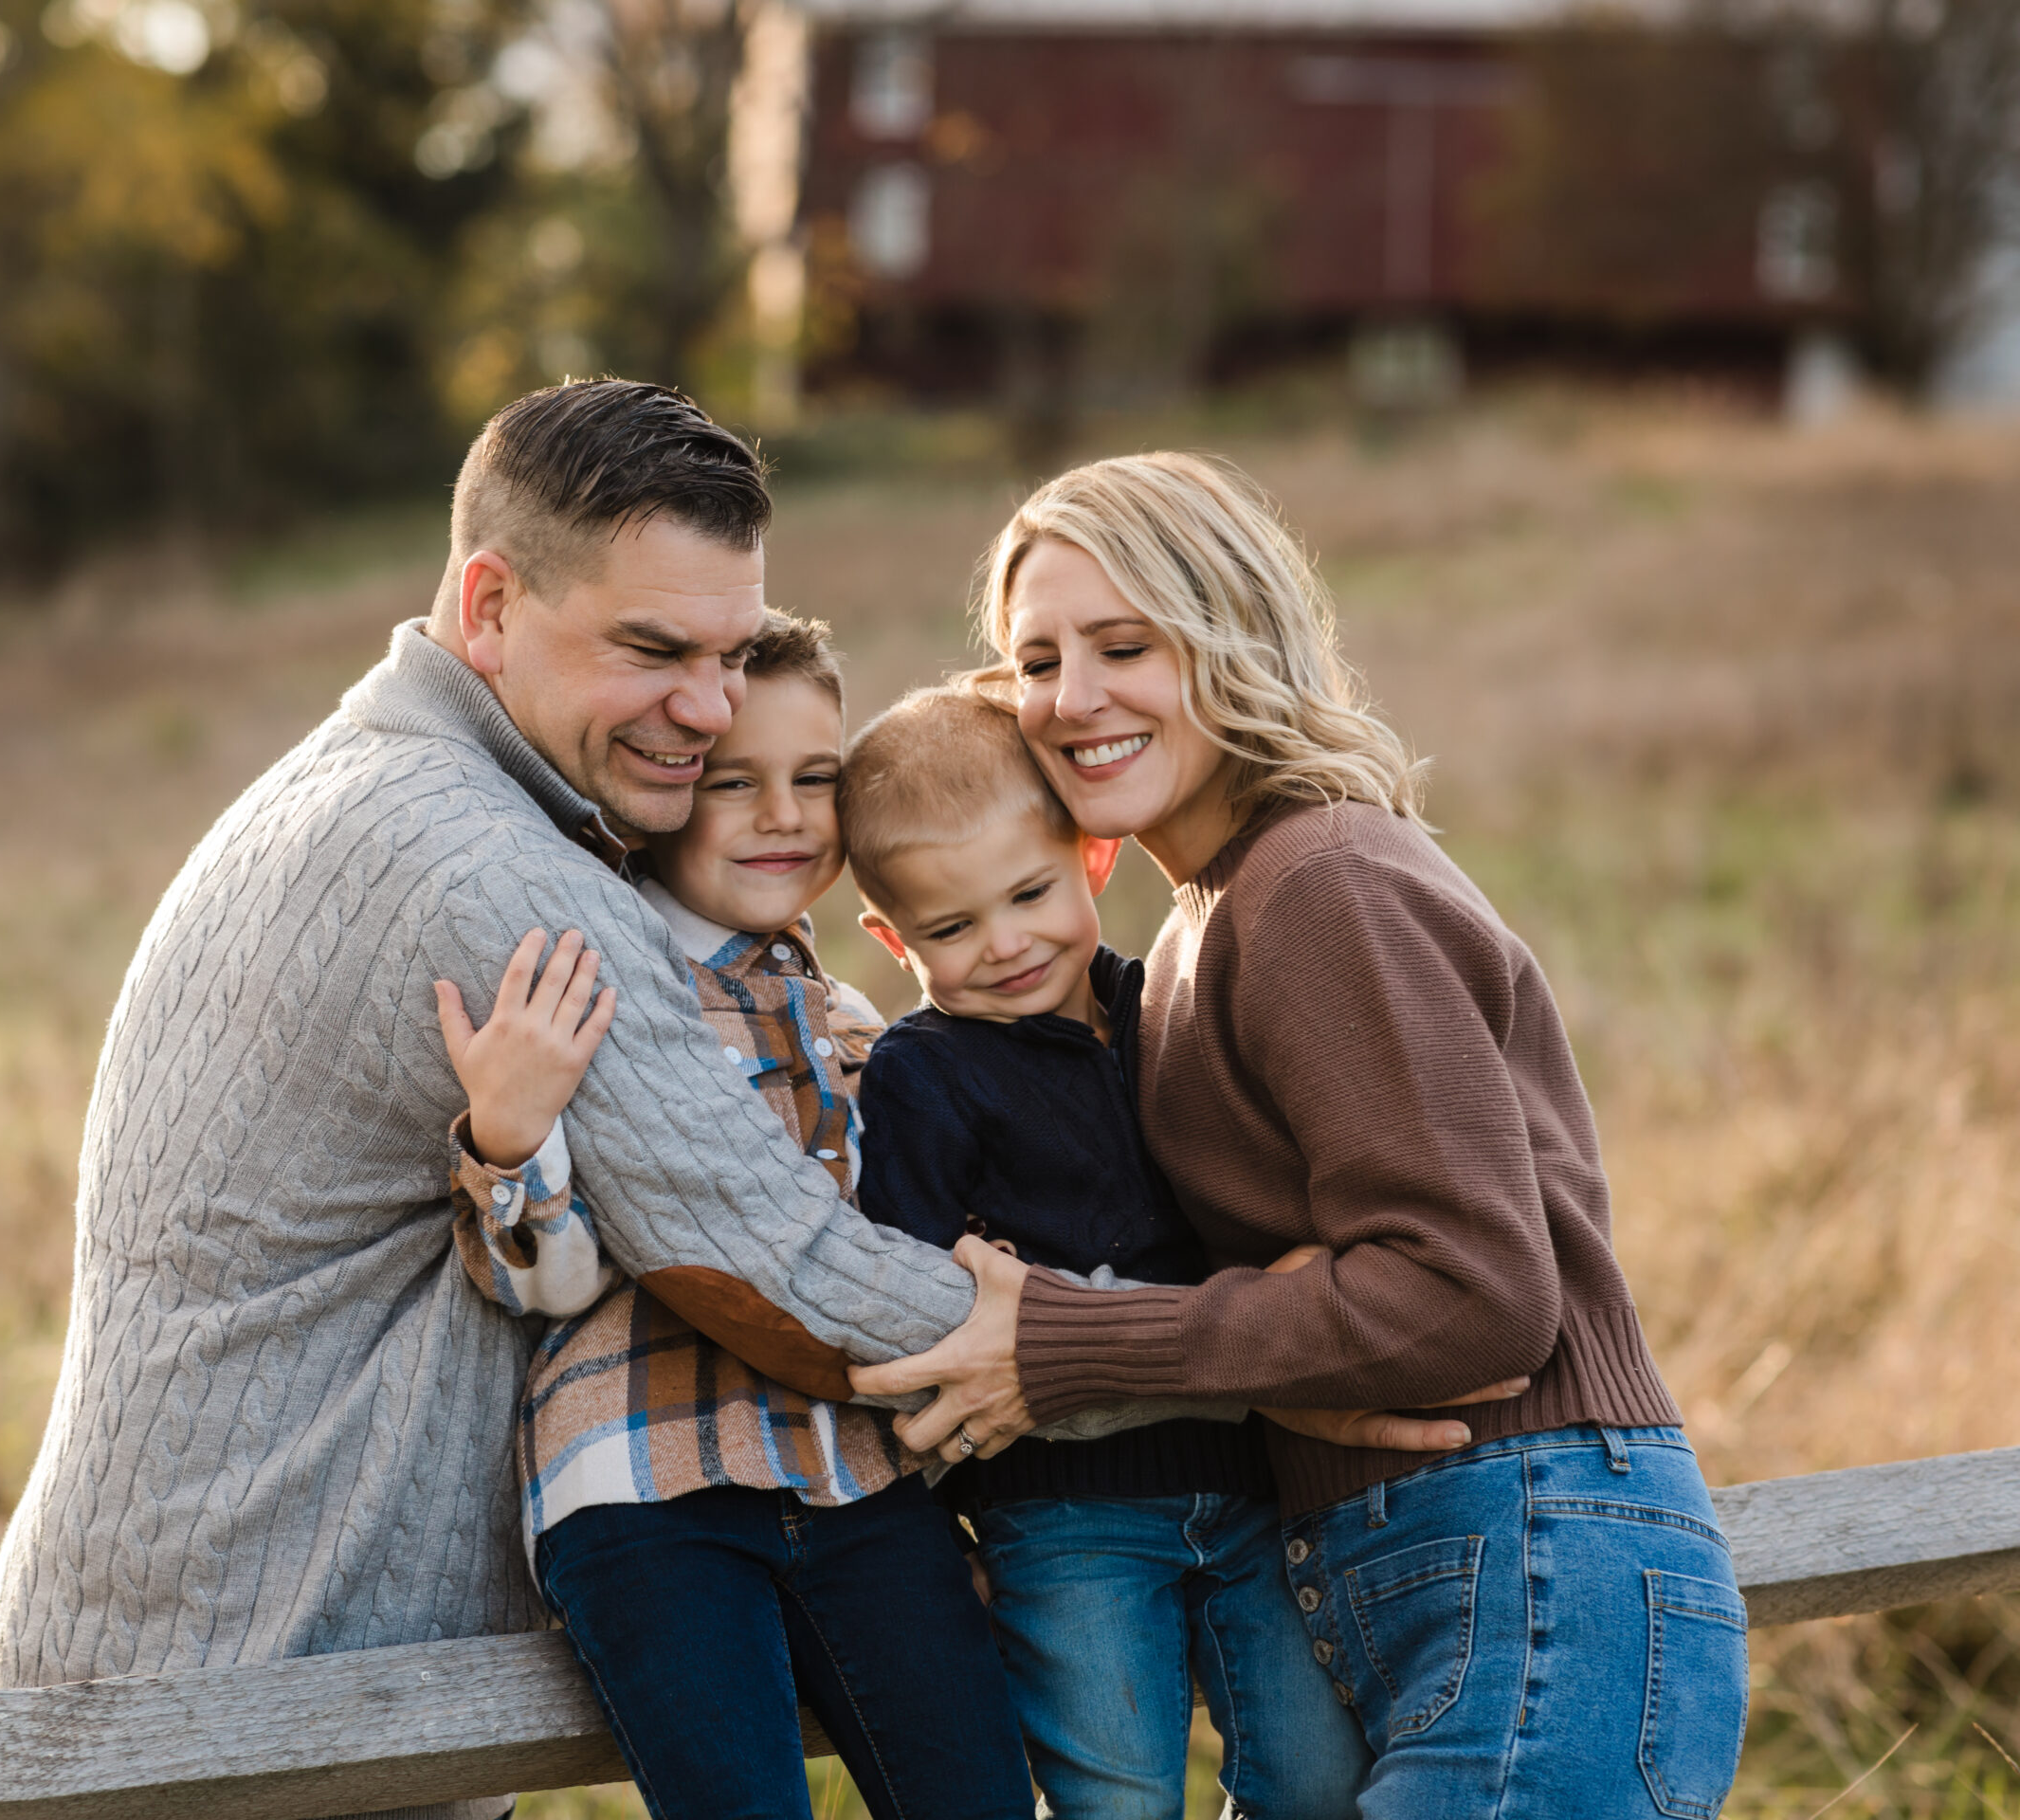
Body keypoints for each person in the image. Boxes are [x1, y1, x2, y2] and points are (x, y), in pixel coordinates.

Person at [0, 384, 992, 1820]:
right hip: (242, 1720)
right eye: (651, 650)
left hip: (184, 1682)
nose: (705, 711)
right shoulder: (485, 871)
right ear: (491, 604)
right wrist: (1123, 1349)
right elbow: (783, 1269)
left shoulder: (370, 780)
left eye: (725, 653)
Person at [853, 452, 1751, 1819]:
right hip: (1417, 1569)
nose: (1073, 698)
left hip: (1529, 1551)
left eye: (1124, 643)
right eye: (1036, 659)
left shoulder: (1319, 881)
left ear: (1229, 638)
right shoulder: (1195, 929)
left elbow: (1471, 1293)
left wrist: (1065, 1347)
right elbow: (1318, 1300)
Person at [435, 615, 1033, 1820]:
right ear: (660, 799)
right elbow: (543, 1287)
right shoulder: (602, 984)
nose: (785, 816)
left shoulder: (849, 1012)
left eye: (816, 779)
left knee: (975, 1792)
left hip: (856, 1479)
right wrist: (508, 1136)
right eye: (732, 784)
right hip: (650, 1484)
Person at [839, 685, 1369, 1820]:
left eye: (1028, 893)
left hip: (1255, 1485)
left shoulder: (1169, 1005)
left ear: (1092, 859)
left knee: (1317, 1775)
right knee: (1114, 1793)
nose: (1004, 944)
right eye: (949, 928)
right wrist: (937, 1539)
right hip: (1060, 1514)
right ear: (892, 940)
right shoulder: (920, 1078)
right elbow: (910, 1306)